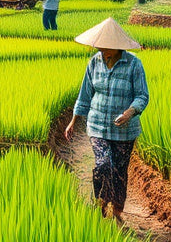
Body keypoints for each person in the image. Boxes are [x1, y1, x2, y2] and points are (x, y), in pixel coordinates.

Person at [63, 18, 148, 225]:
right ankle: (101, 204)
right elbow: (85, 94)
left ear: (118, 46)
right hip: (97, 126)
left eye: (108, 47)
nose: (104, 51)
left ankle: (117, 209)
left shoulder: (133, 64)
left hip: (125, 130)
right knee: (103, 165)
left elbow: (142, 96)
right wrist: (73, 120)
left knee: (119, 170)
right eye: (101, 46)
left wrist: (130, 112)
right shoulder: (94, 62)